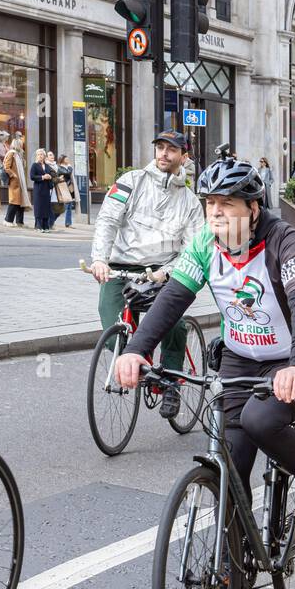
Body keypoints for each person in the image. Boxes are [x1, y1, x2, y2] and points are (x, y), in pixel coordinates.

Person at [114, 157, 295, 539]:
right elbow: (172, 298)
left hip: (291, 359)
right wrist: (136, 349)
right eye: (210, 203)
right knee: (229, 472)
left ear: (252, 208)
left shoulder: (285, 241)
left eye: (227, 203)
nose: (215, 212)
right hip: (238, 358)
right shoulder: (204, 243)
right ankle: (230, 573)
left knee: (260, 421)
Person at [90, 131, 203, 419]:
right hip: (121, 266)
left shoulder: (190, 202)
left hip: (161, 273)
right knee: (109, 319)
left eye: (172, 150)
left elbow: (193, 249)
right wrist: (100, 260)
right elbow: (107, 221)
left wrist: (167, 273)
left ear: (184, 157)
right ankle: (134, 361)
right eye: (160, 148)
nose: (164, 154)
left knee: (174, 324)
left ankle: (171, 383)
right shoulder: (131, 182)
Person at [2, 134, 29, 227]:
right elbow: (6, 166)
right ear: (17, 145)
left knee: (20, 202)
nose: (22, 146)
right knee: (14, 201)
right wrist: (13, 174)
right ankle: (7, 220)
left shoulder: (19, 155)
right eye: (20, 144)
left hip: (20, 182)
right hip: (14, 181)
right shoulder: (11, 153)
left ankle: (19, 221)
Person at [30, 148, 56, 233]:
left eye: (42, 154)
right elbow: (32, 176)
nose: (40, 156)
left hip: (46, 189)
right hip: (38, 189)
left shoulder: (47, 166)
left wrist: (49, 176)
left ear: (44, 156)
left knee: (46, 208)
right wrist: (42, 177)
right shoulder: (34, 165)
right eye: (39, 154)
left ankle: (45, 226)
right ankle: (38, 226)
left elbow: (53, 175)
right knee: (39, 208)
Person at [56, 154, 77, 228]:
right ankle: (52, 220)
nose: (68, 160)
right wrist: (70, 167)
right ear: (62, 160)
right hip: (63, 188)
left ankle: (68, 223)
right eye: (66, 159)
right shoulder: (60, 168)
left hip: (68, 188)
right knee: (65, 206)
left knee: (68, 206)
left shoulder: (66, 167)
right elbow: (67, 173)